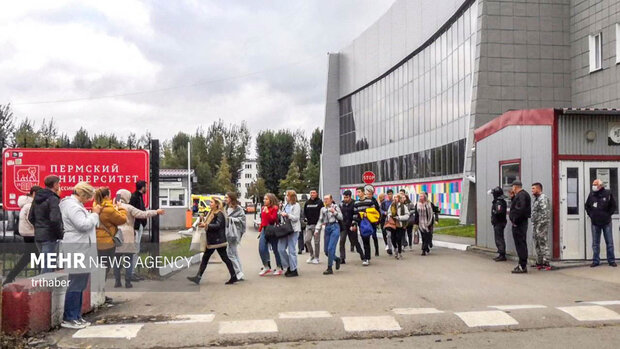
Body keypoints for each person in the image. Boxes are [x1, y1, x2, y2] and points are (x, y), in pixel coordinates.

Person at [59, 182, 101, 329]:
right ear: (83, 194)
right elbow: (82, 225)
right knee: (76, 282)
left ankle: (76, 315)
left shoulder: (74, 205)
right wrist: (95, 214)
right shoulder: (72, 206)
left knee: (81, 282)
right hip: (77, 247)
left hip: (81, 247)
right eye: (88, 197)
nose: (89, 200)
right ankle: (69, 317)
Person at [114, 189, 164, 288]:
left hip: (116, 235)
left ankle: (117, 281)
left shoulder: (114, 207)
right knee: (129, 259)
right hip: (128, 235)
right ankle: (128, 282)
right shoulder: (129, 208)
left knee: (117, 260)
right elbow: (143, 214)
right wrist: (156, 212)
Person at [187, 197, 238, 285]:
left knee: (220, 258)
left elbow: (218, 225)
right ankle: (233, 276)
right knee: (213, 258)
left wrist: (206, 225)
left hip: (217, 241)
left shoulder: (219, 214)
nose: (210, 204)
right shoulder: (212, 212)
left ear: (217, 204)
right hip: (213, 240)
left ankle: (198, 277)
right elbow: (209, 223)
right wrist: (203, 222)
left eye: (211, 202)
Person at [5, 186, 42, 284]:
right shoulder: (30, 205)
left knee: (31, 256)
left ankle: (10, 277)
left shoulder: (26, 204)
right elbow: (32, 220)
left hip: (27, 234)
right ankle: (42, 278)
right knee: (34, 257)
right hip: (32, 233)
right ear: (34, 193)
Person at [28, 175, 63, 273]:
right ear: (55, 184)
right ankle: (44, 287)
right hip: (50, 235)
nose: (59, 185)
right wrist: (60, 234)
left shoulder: (37, 198)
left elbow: (30, 217)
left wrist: (39, 226)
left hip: (38, 234)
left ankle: (44, 286)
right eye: (58, 183)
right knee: (48, 266)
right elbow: (55, 219)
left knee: (44, 263)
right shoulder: (53, 199)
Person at [95, 187, 128, 284]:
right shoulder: (109, 209)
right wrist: (120, 207)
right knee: (105, 268)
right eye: (109, 194)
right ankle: (100, 292)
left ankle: (97, 292)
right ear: (106, 196)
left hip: (97, 240)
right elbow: (122, 219)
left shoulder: (96, 206)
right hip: (107, 242)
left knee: (99, 267)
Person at [585, 179, 617, 267]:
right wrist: (591, 214)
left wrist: (608, 214)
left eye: (595, 184)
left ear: (600, 186)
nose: (593, 186)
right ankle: (595, 261)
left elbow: (613, 206)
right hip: (595, 222)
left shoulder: (608, 194)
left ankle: (611, 260)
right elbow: (587, 206)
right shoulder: (591, 194)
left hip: (606, 222)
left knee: (609, 242)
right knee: (595, 243)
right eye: (593, 184)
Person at [352, 186, 381, 266]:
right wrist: (354, 223)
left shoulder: (369, 201)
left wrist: (366, 214)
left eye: (359, 192)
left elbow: (374, 211)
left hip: (368, 222)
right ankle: (366, 257)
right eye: (357, 192)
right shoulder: (356, 203)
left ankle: (367, 258)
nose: (358, 194)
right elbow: (355, 214)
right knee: (364, 239)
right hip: (361, 223)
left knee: (366, 239)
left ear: (363, 192)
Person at [315, 195, 343, 275]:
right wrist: (317, 229)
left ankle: (329, 268)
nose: (325, 200)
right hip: (327, 227)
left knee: (331, 248)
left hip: (335, 226)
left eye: (327, 199)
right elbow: (320, 220)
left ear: (331, 199)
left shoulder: (335, 207)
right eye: (324, 199)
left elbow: (341, 217)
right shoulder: (323, 209)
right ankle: (337, 259)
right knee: (326, 251)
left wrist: (334, 212)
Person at [258, 193, 284, 276]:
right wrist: (260, 229)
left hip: (272, 230)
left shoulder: (275, 208)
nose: (264, 200)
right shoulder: (263, 208)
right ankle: (266, 266)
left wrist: (268, 212)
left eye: (266, 199)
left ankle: (279, 266)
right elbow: (263, 219)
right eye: (264, 199)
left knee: (275, 249)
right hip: (264, 229)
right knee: (261, 248)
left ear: (271, 200)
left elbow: (273, 219)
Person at [509, 180, 531, 274]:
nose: (512, 189)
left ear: (515, 187)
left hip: (519, 223)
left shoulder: (522, 195)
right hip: (520, 223)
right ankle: (521, 264)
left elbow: (520, 209)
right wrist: (513, 198)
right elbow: (517, 206)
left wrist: (515, 221)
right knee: (520, 244)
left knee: (520, 244)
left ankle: (522, 265)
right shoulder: (520, 195)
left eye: (512, 187)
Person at [277, 190, 301, 277]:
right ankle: (288, 265)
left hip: (293, 229)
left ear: (291, 197)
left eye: (287, 196)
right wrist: (280, 212)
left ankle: (294, 269)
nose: (286, 197)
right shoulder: (285, 205)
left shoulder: (296, 205)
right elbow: (281, 216)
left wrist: (287, 215)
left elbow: (296, 218)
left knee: (292, 250)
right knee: (281, 248)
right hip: (285, 229)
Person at [129, 180, 148, 281]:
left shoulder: (139, 197)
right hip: (136, 227)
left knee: (136, 249)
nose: (147, 189)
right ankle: (131, 273)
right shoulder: (135, 197)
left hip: (138, 225)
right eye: (146, 187)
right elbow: (136, 213)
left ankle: (133, 272)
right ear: (142, 187)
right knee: (134, 250)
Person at [226, 192, 247, 280]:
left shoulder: (238, 209)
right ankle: (239, 272)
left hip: (234, 233)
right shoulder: (226, 207)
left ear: (231, 198)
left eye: (226, 197)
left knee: (230, 253)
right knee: (234, 253)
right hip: (228, 232)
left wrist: (231, 219)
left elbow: (242, 220)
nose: (225, 199)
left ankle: (238, 272)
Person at [339, 190, 364, 264]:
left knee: (354, 241)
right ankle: (342, 258)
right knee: (342, 241)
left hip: (351, 225)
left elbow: (356, 214)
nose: (345, 199)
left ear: (350, 197)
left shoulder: (355, 203)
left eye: (346, 197)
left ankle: (362, 255)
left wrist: (354, 224)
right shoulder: (342, 204)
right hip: (344, 226)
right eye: (344, 197)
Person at [531, 182, 551, 268]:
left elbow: (545, 213)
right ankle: (539, 261)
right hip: (536, 224)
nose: (532, 190)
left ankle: (546, 262)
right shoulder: (536, 199)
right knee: (537, 242)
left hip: (541, 225)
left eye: (533, 188)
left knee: (542, 241)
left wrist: (540, 225)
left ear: (539, 189)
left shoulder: (543, 198)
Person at [303, 190, 323, 264]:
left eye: (314, 193)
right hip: (309, 225)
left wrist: (321, 223)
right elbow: (304, 212)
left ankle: (317, 258)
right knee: (307, 240)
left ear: (316, 194)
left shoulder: (320, 202)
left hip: (317, 224)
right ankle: (311, 255)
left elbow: (322, 213)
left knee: (316, 242)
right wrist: (305, 219)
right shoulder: (307, 203)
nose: (312, 194)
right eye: (311, 193)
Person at [388, 193, 410, 259]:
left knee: (399, 238)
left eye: (396, 197)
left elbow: (407, 215)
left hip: (400, 224)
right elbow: (389, 212)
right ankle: (396, 248)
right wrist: (389, 216)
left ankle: (399, 252)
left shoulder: (403, 206)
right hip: (392, 224)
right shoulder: (391, 205)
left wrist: (399, 217)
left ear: (399, 199)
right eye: (394, 197)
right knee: (392, 238)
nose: (395, 199)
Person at [490, 186, 507, 262]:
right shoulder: (500, 201)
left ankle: (502, 254)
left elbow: (499, 212)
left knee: (499, 239)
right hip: (499, 222)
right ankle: (501, 253)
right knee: (499, 238)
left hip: (499, 223)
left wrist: (494, 213)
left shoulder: (498, 202)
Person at [380, 190, 394, 255]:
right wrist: (384, 212)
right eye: (388, 194)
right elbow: (380, 209)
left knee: (392, 234)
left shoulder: (394, 202)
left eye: (391, 194)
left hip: (393, 219)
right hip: (385, 220)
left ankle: (393, 246)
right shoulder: (384, 203)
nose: (389, 195)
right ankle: (388, 246)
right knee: (386, 233)